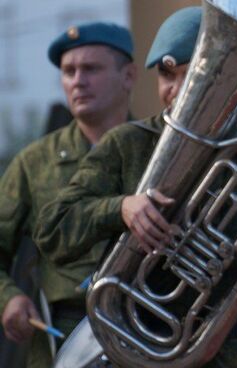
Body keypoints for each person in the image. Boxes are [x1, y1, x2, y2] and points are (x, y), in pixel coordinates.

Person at [35, 7, 237, 367]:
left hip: (232, 352)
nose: (179, 91)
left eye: (194, 76)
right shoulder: (127, 144)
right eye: (167, 75)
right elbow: (52, 230)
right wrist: (119, 209)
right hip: (135, 348)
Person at [0, 22, 135, 367]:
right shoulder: (34, 162)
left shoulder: (160, 153)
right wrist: (9, 298)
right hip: (65, 335)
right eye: (68, 71)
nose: (77, 80)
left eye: (91, 69)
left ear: (129, 76)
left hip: (150, 329)